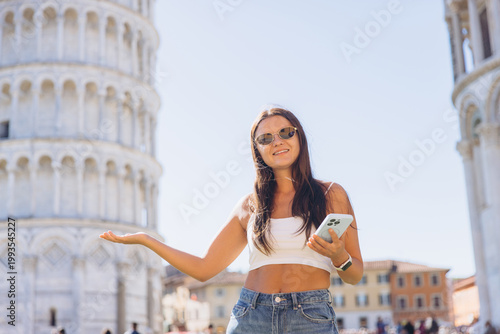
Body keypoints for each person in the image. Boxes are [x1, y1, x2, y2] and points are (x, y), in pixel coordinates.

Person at [100, 106, 363, 334]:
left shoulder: (330, 194)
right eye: (265, 138)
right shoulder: (249, 206)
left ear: (299, 137)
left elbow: (354, 275)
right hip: (251, 315)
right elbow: (204, 268)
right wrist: (147, 240)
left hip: (310, 316)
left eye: (286, 132)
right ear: (257, 149)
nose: (277, 142)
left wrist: (340, 256)